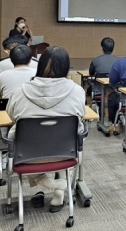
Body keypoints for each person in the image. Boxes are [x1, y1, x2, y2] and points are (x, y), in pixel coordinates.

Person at [6, 46, 86, 212]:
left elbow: (11, 115)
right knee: (75, 135)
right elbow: (81, 115)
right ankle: (59, 191)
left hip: (27, 155)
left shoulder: (20, 91)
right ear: (66, 67)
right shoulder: (77, 91)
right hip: (65, 153)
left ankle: (48, 182)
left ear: (39, 65)